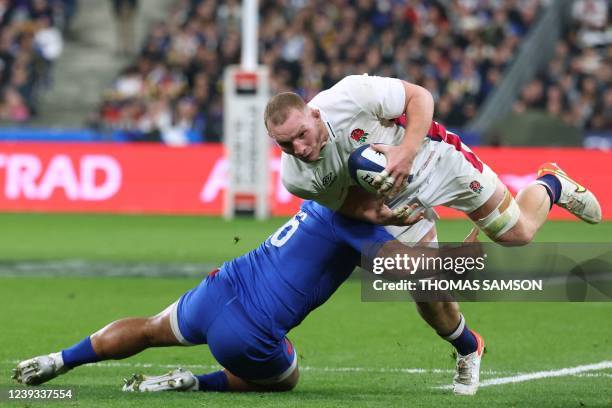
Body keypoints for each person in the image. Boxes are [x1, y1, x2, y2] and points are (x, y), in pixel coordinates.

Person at [264, 74, 602, 394]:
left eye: (301, 134)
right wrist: (376, 213)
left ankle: (552, 183)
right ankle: (469, 348)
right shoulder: (296, 178)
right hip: (390, 200)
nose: (299, 148)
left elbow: (419, 97)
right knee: (426, 285)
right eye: (285, 144)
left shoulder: (350, 94)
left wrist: (406, 154)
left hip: (434, 159)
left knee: (517, 233)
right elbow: (348, 205)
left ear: (314, 113)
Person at [12, 200, 481, 394]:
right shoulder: (358, 229)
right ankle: (195, 383)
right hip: (250, 330)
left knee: (152, 328)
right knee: (287, 375)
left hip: (218, 288)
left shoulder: (318, 200)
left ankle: (60, 360)